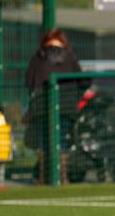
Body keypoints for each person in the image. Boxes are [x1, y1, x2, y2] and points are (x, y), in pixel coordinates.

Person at [24, 28, 89, 184]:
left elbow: (29, 81)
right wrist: (75, 97)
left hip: (42, 105)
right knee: (62, 142)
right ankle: (62, 177)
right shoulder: (69, 57)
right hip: (65, 106)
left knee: (43, 142)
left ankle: (43, 178)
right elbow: (84, 81)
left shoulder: (39, 57)